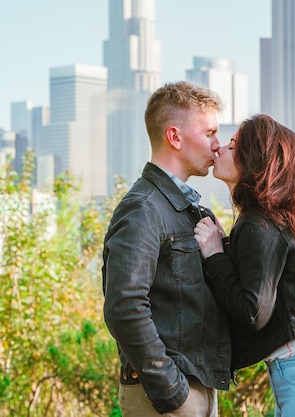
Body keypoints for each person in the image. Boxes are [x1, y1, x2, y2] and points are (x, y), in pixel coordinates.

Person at [193, 114, 295, 416]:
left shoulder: (260, 225)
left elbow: (253, 311)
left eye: (232, 145)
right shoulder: (267, 223)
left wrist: (215, 255)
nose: (220, 150)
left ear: (255, 161)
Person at [102, 81, 231, 416]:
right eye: (209, 133)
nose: (218, 146)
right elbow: (124, 305)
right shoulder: (144, 208)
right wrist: (172, 390)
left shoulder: (190, 210)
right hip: (166, 398)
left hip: (197, 389)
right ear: (174, 137)